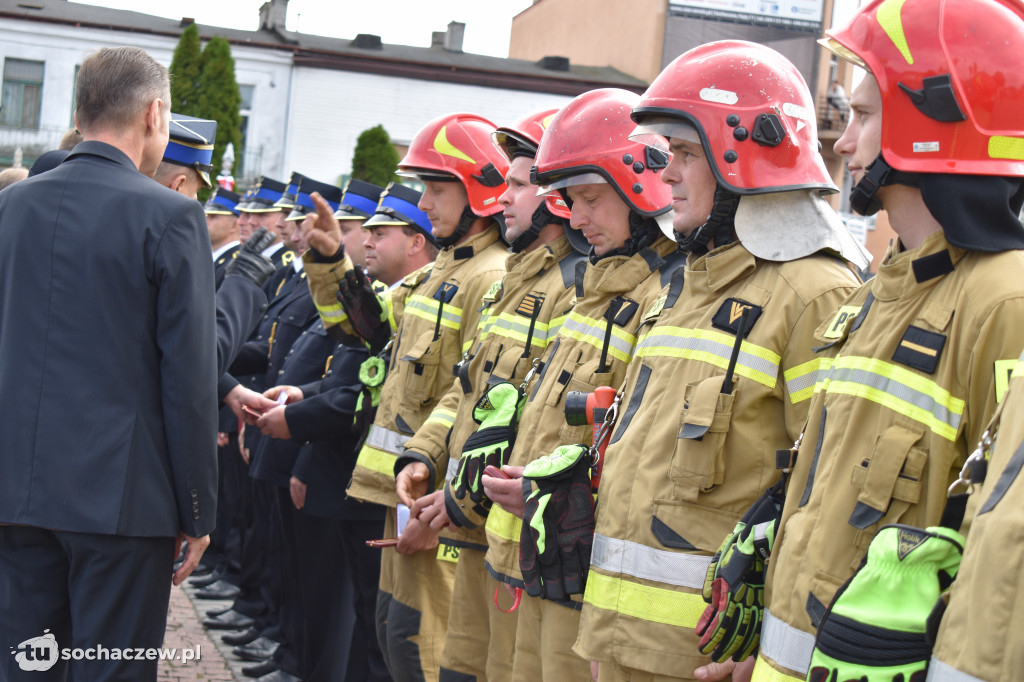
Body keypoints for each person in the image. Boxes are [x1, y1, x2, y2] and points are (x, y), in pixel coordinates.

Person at [563, 42, 866, 682]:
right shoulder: (685, 287)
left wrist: (773, 646)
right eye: (667, 154)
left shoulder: (814, 294)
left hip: (705, 662)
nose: (666, 173)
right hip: (619, 642)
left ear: (746, 156)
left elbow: (818, 495)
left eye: (687, 153)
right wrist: (603, 638)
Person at [740, 1, 1024, 680]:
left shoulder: (1005, 302)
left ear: (935, 124)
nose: (842, 142)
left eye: (862, 116)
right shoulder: (876, 293)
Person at [0, 46, 216, 682]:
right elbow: (188, 384)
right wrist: (197, 510)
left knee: (26, 670)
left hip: (16, 492)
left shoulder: (11, 208)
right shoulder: (173, 215)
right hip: (122, 505)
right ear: (155, 114)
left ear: (78, 110)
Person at [479, 88, 684, 681]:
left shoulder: (665, 297)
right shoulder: (593, 291)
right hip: (534, 557)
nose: (578, 217)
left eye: (591, 199)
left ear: (642, 189)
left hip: (581, 573)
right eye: (570, 201)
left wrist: (555, 494)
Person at [303, 112, 509, 682]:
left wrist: (435, 507)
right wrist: (327, 265)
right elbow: (354, 330)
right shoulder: (443, 270)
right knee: (393, 639)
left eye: (438, 189)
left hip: (430, 509)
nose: (427, 200)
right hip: (400, 496)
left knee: (424, 648)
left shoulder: (489, 280)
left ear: (479, 194)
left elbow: (475, 406)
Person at [395, 108, 587, 681]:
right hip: (470, 523)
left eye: (519, 185)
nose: (501, 198)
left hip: (493, 527)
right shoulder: (515, 281)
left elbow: (543, 426)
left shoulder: (572, 289)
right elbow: (469, 390)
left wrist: (460, 500)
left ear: (558, 196)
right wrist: (426, 454)